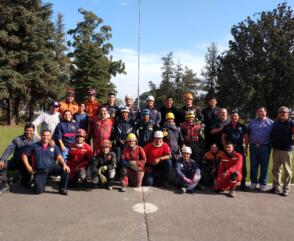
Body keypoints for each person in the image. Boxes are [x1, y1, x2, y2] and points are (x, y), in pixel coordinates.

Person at [22, 129, 70, 195]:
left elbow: (59, 157)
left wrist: (64, 164)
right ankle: (38, 181)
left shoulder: (53, 146)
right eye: (44, 135)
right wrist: (28, 167)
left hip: (52, 167)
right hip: (41, 169)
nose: (46, 137)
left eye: (48, 135)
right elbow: (24, 155)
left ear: (50, 136)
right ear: (41, 136)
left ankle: (62, 189)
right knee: (38, 191)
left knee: (65, 170)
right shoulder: (34, 146)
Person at [0, 124, 39, 190]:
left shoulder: (37, 141)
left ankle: (19, 176)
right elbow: (9, 150)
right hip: (16, 162)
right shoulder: (17, 139)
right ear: (24, 130)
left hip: (27, 165)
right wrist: (2, 160)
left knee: (26, 184)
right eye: (27, 130)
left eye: (30, 131)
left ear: (34, 131)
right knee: (2, 165)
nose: (28, 132)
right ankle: (5, 183)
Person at [270, 106, 294, 197]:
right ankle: (276, 187)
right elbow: (272, 133)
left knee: (287, 170)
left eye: (284, 112)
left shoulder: (291, 123)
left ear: (288, 113)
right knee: (275, 169)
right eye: (280, 112)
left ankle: (286, 189)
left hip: (286, 150)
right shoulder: (276, 123)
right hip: (276, 149)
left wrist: (291, 143)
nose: (282, 113)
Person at [247, 107, 273, 192]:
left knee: (264, 166)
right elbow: (247, 134)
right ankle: (253, 182)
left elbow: (274, 135)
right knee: (253, 166)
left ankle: (262, 184)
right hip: (253, 147)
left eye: (262, 111)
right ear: (257, 113)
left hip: (265, 147)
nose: (260, 113)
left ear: (266, 112)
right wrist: (247, 147)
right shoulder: (252, 122)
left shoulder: (271, 123)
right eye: (258, 112)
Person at [221, 111, 248, 191]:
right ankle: (228, 183)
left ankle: (243, 184)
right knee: (228, 165)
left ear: (238, 117)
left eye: (236, 116)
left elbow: (246, 138)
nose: (234, 117)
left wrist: (246, 149)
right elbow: (223, 137)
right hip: (229, 149)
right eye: (232, 116)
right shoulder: (226, 127)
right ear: (230, 117)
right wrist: (225, 147)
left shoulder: (242, 126)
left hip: (239, 148)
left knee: (242, 166)